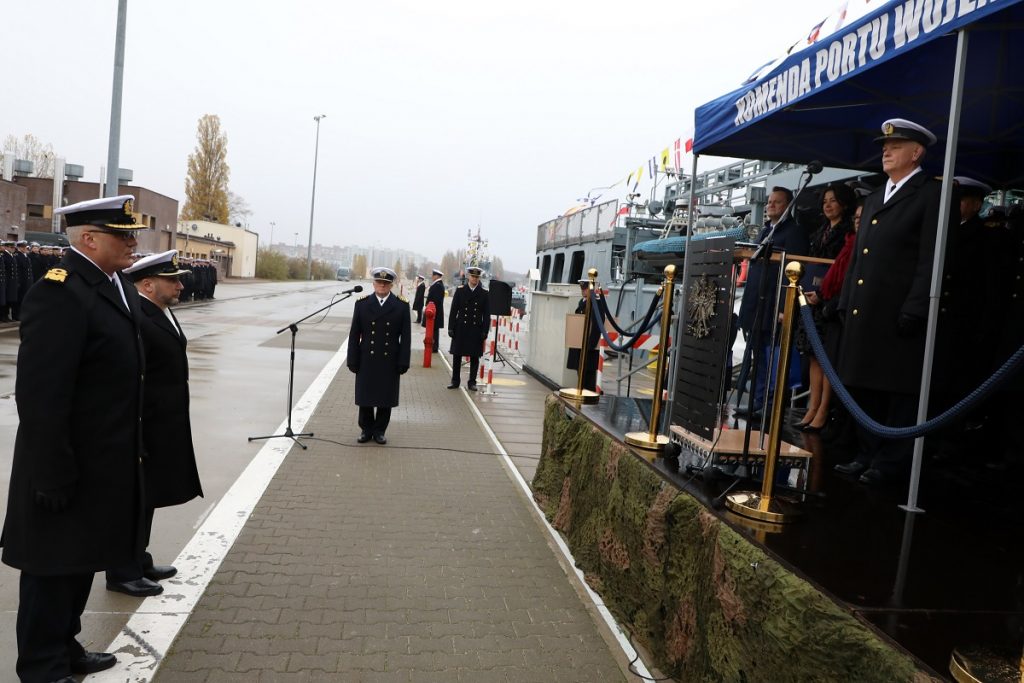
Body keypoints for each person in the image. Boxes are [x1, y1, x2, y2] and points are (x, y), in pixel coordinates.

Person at [1, 194, 145, 682]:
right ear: (89, 239)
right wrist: (52, 473)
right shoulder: (60, 293)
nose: (133, 243)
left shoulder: (112, 286)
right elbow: (41, 394)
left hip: (98, 463)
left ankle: (66, 646)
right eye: (122, 236)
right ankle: (42, 665)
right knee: (51, 570)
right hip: (62, 465)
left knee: (80, 561)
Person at [835, 118, 957, 485]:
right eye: (885, 147)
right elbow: (859, 257)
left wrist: (916, 307)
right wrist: (845, 301)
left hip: (898, 311)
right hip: (865, 309)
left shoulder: (932, 195)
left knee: (897, 392)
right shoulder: (875, 197)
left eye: (895, 146)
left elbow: (932, 259)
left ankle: (889, 463)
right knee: (863, 388)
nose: (886, 151)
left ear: (916, 153)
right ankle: (866, 453)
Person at [104, 250, 203, 598]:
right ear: (147, 284)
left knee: (148, 497)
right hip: (144, 424)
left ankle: (138, 559)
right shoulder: (139, 319)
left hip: (162, 422)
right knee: (134, 501)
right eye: (171, 280)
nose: (179, 286)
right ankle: (121, 570)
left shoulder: (159, 311)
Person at [736, 186, 810, 418]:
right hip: (757, 305)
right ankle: (757, 403)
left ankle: (770, 406)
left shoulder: (794, 233)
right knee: (759, 357)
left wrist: (784, 307)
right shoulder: (766, 231)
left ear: (788, 206)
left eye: (777, 202)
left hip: (775, 305)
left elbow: (794, 272)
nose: (770, 205)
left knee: (773, 359)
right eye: (769, 202)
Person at [794, 183, 856, 432]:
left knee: (827, 358)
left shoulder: (847, 233)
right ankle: (812, 406)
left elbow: (842, 270)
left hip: (831, 300)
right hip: (811, 297)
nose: (828, 205)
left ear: (844, 203)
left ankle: (823, 409)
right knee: (813, 356)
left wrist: (823, 294)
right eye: (825, 201)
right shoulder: (819, 231)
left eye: (833, 200)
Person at [347, 267, 411, 444]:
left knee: (385, 397)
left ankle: (380, 431)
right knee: (365, 396)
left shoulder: (401, 306)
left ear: (391, 285)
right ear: (373, 283)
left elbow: (406, 338)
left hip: (389, 359)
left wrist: (404, 361)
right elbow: (354, 335)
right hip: (366, 357)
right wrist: (352, 359)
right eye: (379, 282)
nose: (382, 285)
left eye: (386, 283)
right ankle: (366, 430)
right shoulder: (362, 304)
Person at [446, 266, 490, 391]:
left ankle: (472, 382)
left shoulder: (484, 294)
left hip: (475, 329)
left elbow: (486, 315)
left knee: (474, 357)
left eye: (477, 277)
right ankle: (455, 381)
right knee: (457, 355)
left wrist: (485, 330)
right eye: (473, 276)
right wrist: (451, 327)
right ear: (468, 277)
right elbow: (454, 310)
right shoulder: (460, 291)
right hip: (461, 328)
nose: (474, 279)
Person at [567, 279, 601, 392]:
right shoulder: (582, 301)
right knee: (580, 372)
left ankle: (587, 395)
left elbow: (597, 325)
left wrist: (591, 345)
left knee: (588, 376)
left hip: (589, 346)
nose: (583, 291)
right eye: (582, 289)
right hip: (580, 345)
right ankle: (582, 392)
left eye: (585, 289)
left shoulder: (595, 303)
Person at [422, 268, 445, 352]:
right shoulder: (437, 284)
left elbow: (435, 300)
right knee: (433, 330)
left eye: (433, 275)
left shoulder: (438, 285)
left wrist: (429, 308)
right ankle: (433, 346)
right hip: (434, 311)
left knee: (434, 330)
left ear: (437, 276)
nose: (432, 277)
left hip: (434, 312)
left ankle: (434, 347)